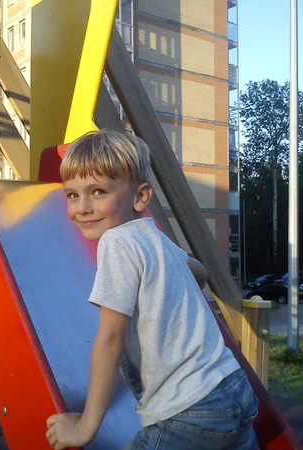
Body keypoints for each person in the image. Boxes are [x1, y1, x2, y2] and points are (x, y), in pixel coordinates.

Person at [45, 129, 258, 450]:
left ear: (140, 197)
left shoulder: (116, 243)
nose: (83, 207)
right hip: (233, 388)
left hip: (189, 410)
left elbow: (111, 338)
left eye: (98, 191)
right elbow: (198, 271)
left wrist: (85, 427)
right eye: (73, 195)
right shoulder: (153, 237)